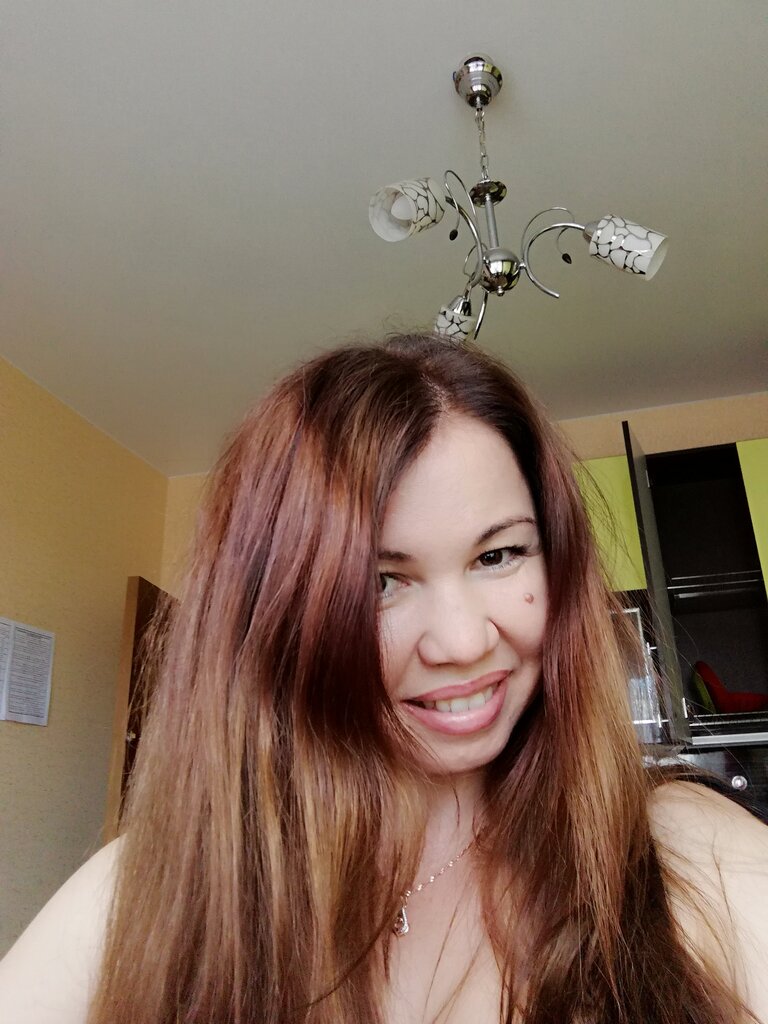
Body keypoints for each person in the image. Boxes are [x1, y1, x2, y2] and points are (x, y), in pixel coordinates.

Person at [1, 332, 766, 1024]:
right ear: (276, 619)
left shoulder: (680, 853)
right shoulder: (155, 892)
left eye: (498, 555)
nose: (463, 642)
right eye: (380, 582)